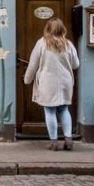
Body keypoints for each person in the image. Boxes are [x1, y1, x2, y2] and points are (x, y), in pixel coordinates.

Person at [23, 17, 79, 151]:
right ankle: (68, 138)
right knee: (64, 109)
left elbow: (33, 65)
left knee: (49, 111)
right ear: (62, 29)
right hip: (65, 82)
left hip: (48, 82)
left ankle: (54, 142)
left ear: (47, 29)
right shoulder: (68, 44)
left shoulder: (42, 44)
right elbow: (76, 64)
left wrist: (27, 79)